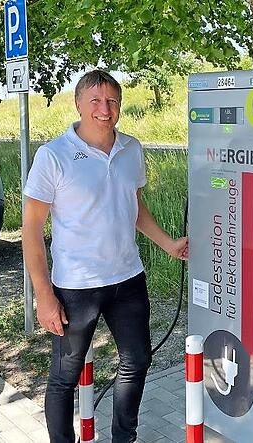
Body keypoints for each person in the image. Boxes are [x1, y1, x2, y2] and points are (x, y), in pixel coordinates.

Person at [21, 69, 188, 443]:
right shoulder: (53, 156)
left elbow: (135, 206)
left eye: (112, 100)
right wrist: (44, 296)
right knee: (65, 375)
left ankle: (124, 437)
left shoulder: (131, 149)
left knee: (137, 360)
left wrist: (167, 243)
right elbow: (31, 230)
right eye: (95, 100)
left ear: (120, 106)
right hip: (75, 287)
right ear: (78, 104)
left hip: (128, 279)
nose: (104, 108)